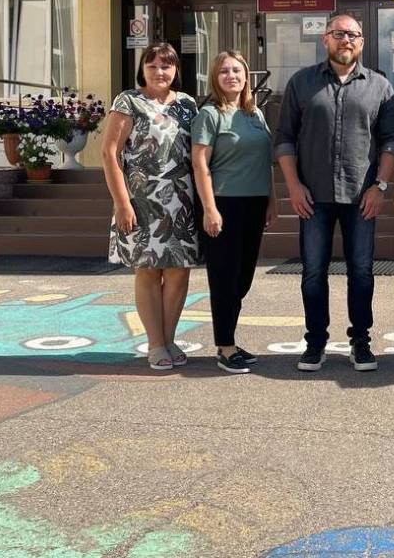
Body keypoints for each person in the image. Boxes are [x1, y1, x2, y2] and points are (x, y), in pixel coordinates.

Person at [275, 12, 394, 373]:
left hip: (362, 197)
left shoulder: (379, 86)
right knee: (313, 273)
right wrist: (293, 186)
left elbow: (392, 141)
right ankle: (315, 343)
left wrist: (380, 186)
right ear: (325, 39)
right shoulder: (301, 83)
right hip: (312, 197)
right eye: (339, 33)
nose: (346, 40)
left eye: (353, 35)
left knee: (361, 272)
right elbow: (284, 138)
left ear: (362, 42)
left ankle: (360, 342)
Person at [101, 42, 201, 370]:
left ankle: (169, 339)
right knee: (147, 271)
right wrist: (122, 202)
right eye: (153, 65)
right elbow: (110, 153)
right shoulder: (128, 101)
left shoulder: (187, 104)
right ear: (142, 69)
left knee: (178, 271)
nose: (160, 71)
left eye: (166, 65)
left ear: (176, 70)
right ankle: (155, 343)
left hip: (180, 201)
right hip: (141, 201)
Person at [192, 50, 278, 374]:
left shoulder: (255, 113)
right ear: (216, 77)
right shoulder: (210, 114)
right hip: (223, 203)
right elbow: (200, 164)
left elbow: (266, 161)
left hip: (254, 202)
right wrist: (209, 209)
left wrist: (272, 200)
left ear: (246, 77)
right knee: (224, 278)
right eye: (225, 71)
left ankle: (228, 338)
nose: (232, 76)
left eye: (237, 71)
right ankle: (225, 347)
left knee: (242, 278)